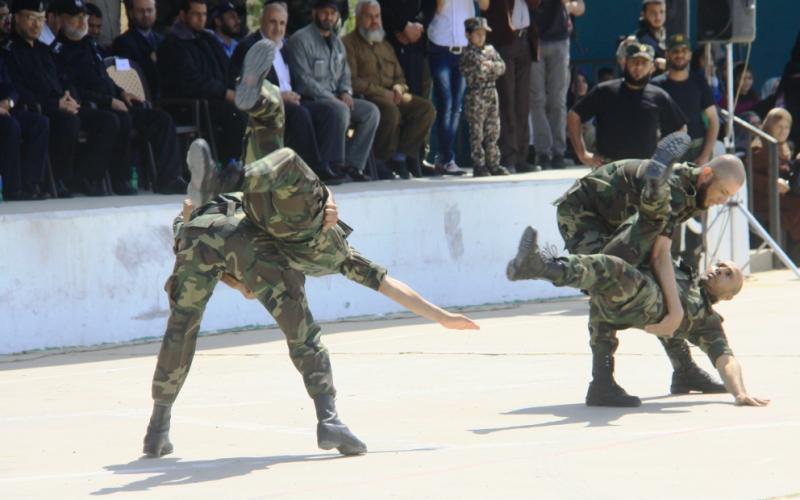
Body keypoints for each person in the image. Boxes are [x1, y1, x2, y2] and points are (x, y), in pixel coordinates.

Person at [142, 147, 480, 458]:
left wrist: (238, 275)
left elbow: (221, 258)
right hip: (254, 244)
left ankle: (157, 430)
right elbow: (388, 285)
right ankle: (329, 420)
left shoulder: (300, 218)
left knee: (181, 326)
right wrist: (441, 316)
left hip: (197, 228)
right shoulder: (338, 252)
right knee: (303, 334)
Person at [555, 137, 748, 406]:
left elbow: (660, 254)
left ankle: (684, 370)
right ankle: (601, 382)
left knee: (662, 290)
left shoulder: (692, 189)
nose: (722, 201)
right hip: (586, 214)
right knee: (607, 281)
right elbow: (659, 256)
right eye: (723, 193)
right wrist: (677, 311)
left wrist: (676, 306)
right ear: (706, 174)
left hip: (618, 218)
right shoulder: (677, 190)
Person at [506, 226, 769, 408]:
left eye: (728, 275)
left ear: (728, 296)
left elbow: (726, 359)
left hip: (643, 296)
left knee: (612, 269)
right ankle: (604, 381)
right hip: (624, 306)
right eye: (720, 265)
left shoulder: (707, 322)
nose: (719, 271)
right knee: (605, 296)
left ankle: (543, 267)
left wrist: (740, 392)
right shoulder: (682, 273)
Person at [53, 0, 188, 195]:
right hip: (94, 106)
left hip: (115, 102)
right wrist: (109, 101)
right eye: (76, 19)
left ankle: (169, 179)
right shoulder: (61, 51)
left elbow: (104, 79)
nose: (82, 23)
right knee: (118, 120)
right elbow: (76, 90)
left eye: (84, 18)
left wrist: (121, 92)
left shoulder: (89, 45)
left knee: (162, 120)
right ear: (61, 20)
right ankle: (111, 179)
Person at [4, 0, 123, 197]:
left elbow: (64, 78)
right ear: (16, 18)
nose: (36, 25)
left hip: (63, 104)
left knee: (107, 121)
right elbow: (18, 88)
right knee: (68, 123)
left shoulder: (45, 50)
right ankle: (57, 180)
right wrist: (56, 103)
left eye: (40, 20)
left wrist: (69, 96)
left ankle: (87, 178)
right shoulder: (10, 51)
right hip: (39, 107)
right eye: (31, 18)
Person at [232, 2, 345, 184]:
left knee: (328, 112)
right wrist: (279, 96)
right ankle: (311, 169)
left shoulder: (284, 46)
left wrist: (295, 95)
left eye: (282, 23)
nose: (278, 28)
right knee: (300, 114)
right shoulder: (249, 47)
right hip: (266, 104)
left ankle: (330, 163)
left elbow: (295, 79)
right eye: (273, 22)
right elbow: (247, 86)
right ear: (262, 21)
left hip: (291, 99)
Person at [285, 0, 379, 182]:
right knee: (340, 110)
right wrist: (332, 98)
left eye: (333, 13)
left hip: (336, 98)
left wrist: (346, 92)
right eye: (324, 12)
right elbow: (304, 81)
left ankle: (353, 165)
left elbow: (345, 74)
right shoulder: (301, 39)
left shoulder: (337, 42)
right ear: (314, 13)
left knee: (371, 112)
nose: (328, 17)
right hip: (310, 99)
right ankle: (335, 165)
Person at [342, 0, 435, 179]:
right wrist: (383, 93)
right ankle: (380, 160)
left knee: (426, 109)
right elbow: (351, 81)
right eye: (369, 16)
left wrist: (399, 88)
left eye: (377, 16)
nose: (374, 21)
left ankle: (399, 157)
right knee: (391, 111)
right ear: (358, 18)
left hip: (393, 94)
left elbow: (400, 76)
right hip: (369, 97)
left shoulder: (384, 44)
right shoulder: (348, 44)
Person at [157, 0, 248, 165]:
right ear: (183, 15)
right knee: (237, 114)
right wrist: (225, 93)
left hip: (216, 98)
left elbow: (228, 69)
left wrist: (238, 88)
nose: (201, 19)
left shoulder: (208, 38)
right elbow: (191, 82)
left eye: (204, 14)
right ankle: (230, 165)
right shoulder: (173, 44)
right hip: (189, 105)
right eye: (196, 14)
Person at [567, 42, 687, 167]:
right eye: (634, 62)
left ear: (652, 67)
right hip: (608, 169)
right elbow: (573, 116)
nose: (638, 68)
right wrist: (582, 154)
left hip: (644, 169)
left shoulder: (659, 96)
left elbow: (680, 129)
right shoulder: (604, 91)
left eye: (644, 63)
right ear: (625, 63)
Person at [480, 0, 540, 174]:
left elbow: (536, 4)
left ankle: (521, 156)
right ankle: (507, 157)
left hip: (525, 39)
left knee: (522, 103)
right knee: (506, 101)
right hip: (504, 40)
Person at [530, 0, 584, 170]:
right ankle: (543, 152)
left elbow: (580, 8)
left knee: (557, 100)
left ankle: (558, 152)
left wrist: (568, 7)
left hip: (559, 40)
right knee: (537, 99)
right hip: (534, 38)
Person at [652, 34, 720, 166]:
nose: (680, 55)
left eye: (684, 51)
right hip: (666, 151)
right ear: (667, 54)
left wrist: (705, 156)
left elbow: (713, 120)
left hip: (697, 150)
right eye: (675, 51)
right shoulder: (656, 85)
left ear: (689, 55)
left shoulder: (699, 81)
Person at [426, 0, 476, 175]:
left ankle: (448, 158)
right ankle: (445, 157)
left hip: (463, 48)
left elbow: (484, 5)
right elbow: (438, 8)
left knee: (456, 107)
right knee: (445, 104)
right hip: (441, 47)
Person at [459, 17, 509, 177]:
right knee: (477, 132)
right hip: (476, 95)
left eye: (483, 33)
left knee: (493, 130)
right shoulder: (467, 53)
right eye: (477, 33)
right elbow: (480, 71)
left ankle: (493, 163)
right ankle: (479, 164)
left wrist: (491, 66)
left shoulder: (490, 50)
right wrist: (491, 67)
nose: (481, 37)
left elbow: (502, 67)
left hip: (491, 93)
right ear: (468, 34)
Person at [751, 108, 800, 260]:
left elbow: (787, 172)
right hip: (766, 198)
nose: (783, 131)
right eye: (779, 126)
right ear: (770, 126)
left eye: (786, 127)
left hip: (784, 196)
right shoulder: (759, 148)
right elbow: (752, 177)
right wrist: (773, 183)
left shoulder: (784, 148)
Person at [0, 54, 50, 200]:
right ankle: (12, 188)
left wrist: (9, 102)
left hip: (5, 109)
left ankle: (31, 184)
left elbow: (11, 87)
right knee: (11, 126)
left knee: (39, 122)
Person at [112, 0, 163, 101]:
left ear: (156, 12)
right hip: (140, 97)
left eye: (149, 10)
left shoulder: (163, 40)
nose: (146, 14)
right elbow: (124, 73)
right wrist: (150, 61)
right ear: (131, 13)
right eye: (140, 11)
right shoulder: (122, 42)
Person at [635, 0, 666, 74]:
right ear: (643, 14)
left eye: (662, 12)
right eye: (653, 13)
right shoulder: (638, 39)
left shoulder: (670, 34)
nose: (658, 17)